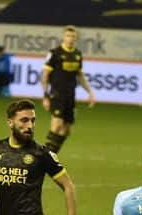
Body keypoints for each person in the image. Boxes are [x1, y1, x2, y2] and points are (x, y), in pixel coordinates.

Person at [41, 25, 96, 153]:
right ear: (63, 37)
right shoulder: (55, 53)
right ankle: (44, 155)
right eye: (68, 36)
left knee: (67, 130)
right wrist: (45, 95)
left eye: (73, 36)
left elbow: (80, 76)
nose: (70, 39)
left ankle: (52, 154)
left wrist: (90, 92)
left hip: (70, 95)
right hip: (57, 93)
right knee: (57, 124)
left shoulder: (77, 54)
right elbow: (45, 75)